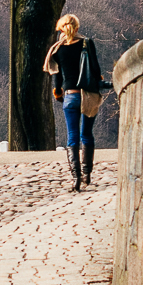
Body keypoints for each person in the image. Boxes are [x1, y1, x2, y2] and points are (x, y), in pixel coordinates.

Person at [43, 14, 107, 192]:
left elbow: (56, 75)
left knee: (73, 136)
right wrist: (99, 80)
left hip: (70, 96)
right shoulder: (87, 43)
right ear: (77, 28)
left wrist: (58, 92)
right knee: (87, 134)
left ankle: (76, 178)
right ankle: (87, 174)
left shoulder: (57, 49)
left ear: (61, 29)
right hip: (88, 95)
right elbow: (95, 68)